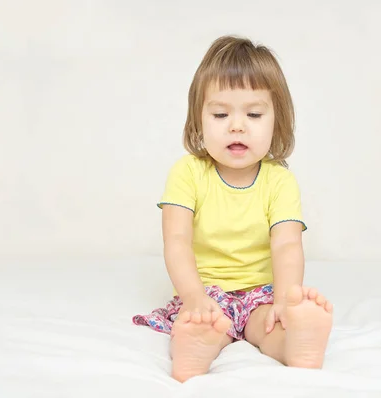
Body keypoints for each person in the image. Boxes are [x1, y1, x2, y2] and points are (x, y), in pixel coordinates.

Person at [132, 35, 333, 383]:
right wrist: (194, 297)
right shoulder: (189, 172)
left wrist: (286, 300)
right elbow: (176, 240)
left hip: (261, 292)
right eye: (221, 113)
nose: (236, 125)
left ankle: (296, 343)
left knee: (268, 323)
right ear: (199, 119)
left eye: (253, 114)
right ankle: (195, 348)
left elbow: (286, 245)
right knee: (206, 323)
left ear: (277, 121)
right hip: (204, 290)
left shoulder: (280, 182)